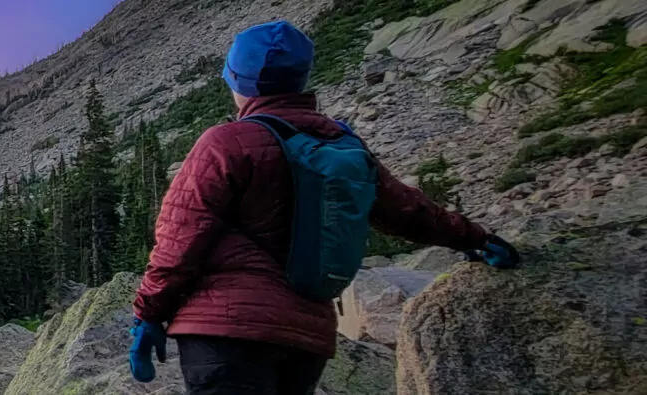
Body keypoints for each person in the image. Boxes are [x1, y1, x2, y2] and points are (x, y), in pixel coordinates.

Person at [127, 20, 521, 395]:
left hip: (226, 334)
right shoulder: (341, 145)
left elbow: (179, 239)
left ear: (238, 80)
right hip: (306, 338)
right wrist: (476, 238)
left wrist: (148, 312)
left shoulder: (226, 142)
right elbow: (409, 212)